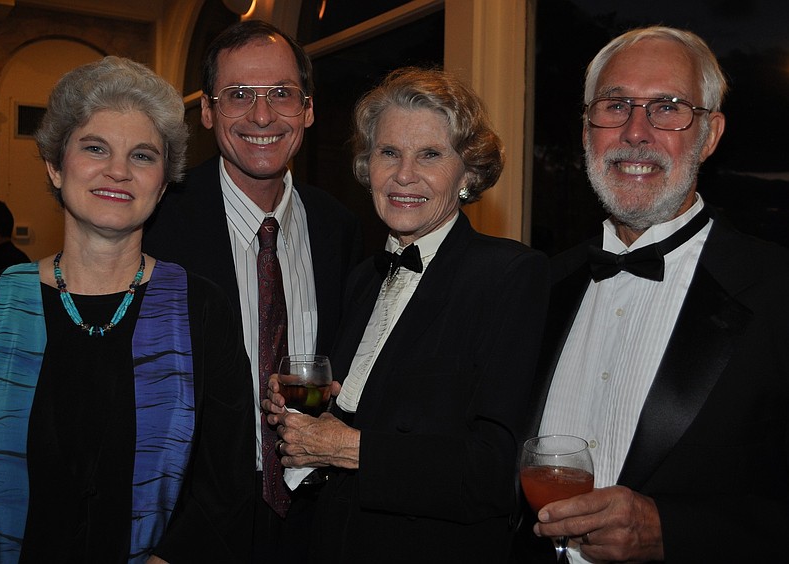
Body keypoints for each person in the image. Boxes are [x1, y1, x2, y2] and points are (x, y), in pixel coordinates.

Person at [0, 56, 254, 562]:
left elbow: (226, 485)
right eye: (95, 148)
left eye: (143, 156)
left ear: (164, 181)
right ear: (54, 166)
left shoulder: (202, 308)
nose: (118, 171)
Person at [511, 26, 789, 564]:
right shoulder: (538, 285)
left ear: (709, 135)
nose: (636, 132)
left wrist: (674, 532)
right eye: (616, 105)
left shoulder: (776, 291)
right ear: (588, 129)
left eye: (667, 107)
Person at [263, 67, 549, 562]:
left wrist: (347, 447)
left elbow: (496, 471)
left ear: (468, 173)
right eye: (389, 152)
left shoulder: (509, 275)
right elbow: (373, 410)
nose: (403, 175)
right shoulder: (362, 279)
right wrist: (310, 417)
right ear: (366, 164)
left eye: (430, 155)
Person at [143, 20, 361, 562]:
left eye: (281, 94)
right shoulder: (156, 223)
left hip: (320, 523)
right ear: (209, 112)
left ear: (307, 110)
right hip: (190, 529)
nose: (262, 116)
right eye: (238, 95)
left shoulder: (342, 228)